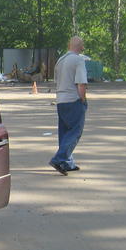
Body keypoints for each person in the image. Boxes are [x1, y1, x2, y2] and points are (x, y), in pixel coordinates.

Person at [49, 36, 88, 176]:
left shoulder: (60, 60)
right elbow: (81, 83)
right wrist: (83, 99)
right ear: (80, 46)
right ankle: (59, 159)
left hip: (61, 100)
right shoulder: (78, 60)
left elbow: (57, 80)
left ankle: (67, 163)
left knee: (65, 132)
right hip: (73, 100)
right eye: (83, 45)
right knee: (75, 132)